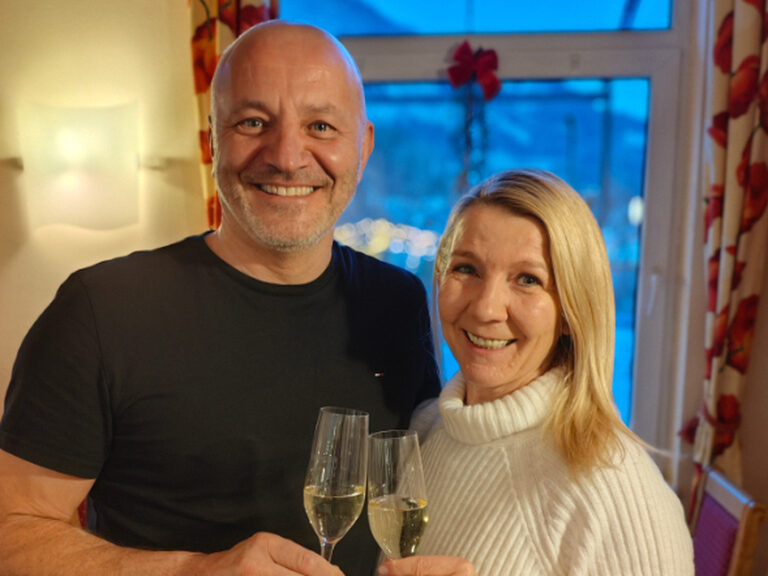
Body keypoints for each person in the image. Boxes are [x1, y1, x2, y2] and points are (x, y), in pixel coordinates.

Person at [0, 21, 440, 576]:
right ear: (212, 140)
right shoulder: (101, 309)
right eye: (254, 122)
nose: (286, 156)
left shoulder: (398, 303)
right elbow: (12, 532)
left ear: (364, 146)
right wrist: (194, 571)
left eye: (321, 125)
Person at [379, 169, 694, 576]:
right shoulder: (426, 430)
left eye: (527, 279)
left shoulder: (615, 486)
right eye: (466, 269)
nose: (485, 308)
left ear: (570, 312)